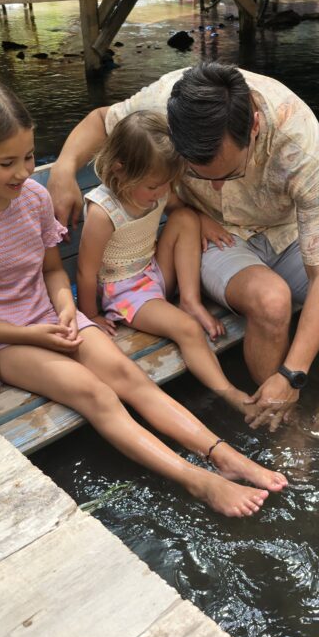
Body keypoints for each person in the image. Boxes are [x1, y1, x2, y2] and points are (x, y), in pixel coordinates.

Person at [0, 75, 287, 517]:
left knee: (131, 377)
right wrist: (38, 333)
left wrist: (67, 306)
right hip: (2, 341)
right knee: (96, 394)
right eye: (6, 163)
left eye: (30, 157)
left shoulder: (33, 198)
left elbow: (54, 270)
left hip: (54, 319)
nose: (23, 172)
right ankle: (199, 481)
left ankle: (220, 452)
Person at [48, 63, 319, 436]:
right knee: (272, 301)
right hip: (214, 237)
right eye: (198, 173)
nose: (215, 188)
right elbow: (103, 119)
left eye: (229, 174)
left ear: (253, 127)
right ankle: (283, 427)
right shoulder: (168, 103)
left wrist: (292, 374)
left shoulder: (302, 147)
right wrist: (63, 169)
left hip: (285, 231)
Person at [77, 110, 250, 413]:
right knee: (187, 329)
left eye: (167, 184)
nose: (161, 193)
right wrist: (90, 318)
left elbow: (179, 209)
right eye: (154, 186)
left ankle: (190, 300)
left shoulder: (159, 190)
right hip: (125, 291)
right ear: (120, 170)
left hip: (152, 271)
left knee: (185, 218)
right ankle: (229, 393)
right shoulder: (103, 213)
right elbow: (85, 271)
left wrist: (202, 220)